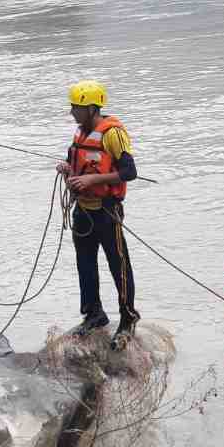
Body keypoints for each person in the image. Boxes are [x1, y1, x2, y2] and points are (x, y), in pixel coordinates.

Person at [57, 80, 140, 349]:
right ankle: (94, 314)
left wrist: (92, 181)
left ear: (92, 108)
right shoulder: (80, 132)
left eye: (77, 107)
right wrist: (67, 168)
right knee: (85, 262)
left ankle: (128, 319)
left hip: (107, 210)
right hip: (84, 209)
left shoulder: (112, 134)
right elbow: (77, 161)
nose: (72, 112)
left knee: (119, 264)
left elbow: (129, 172)